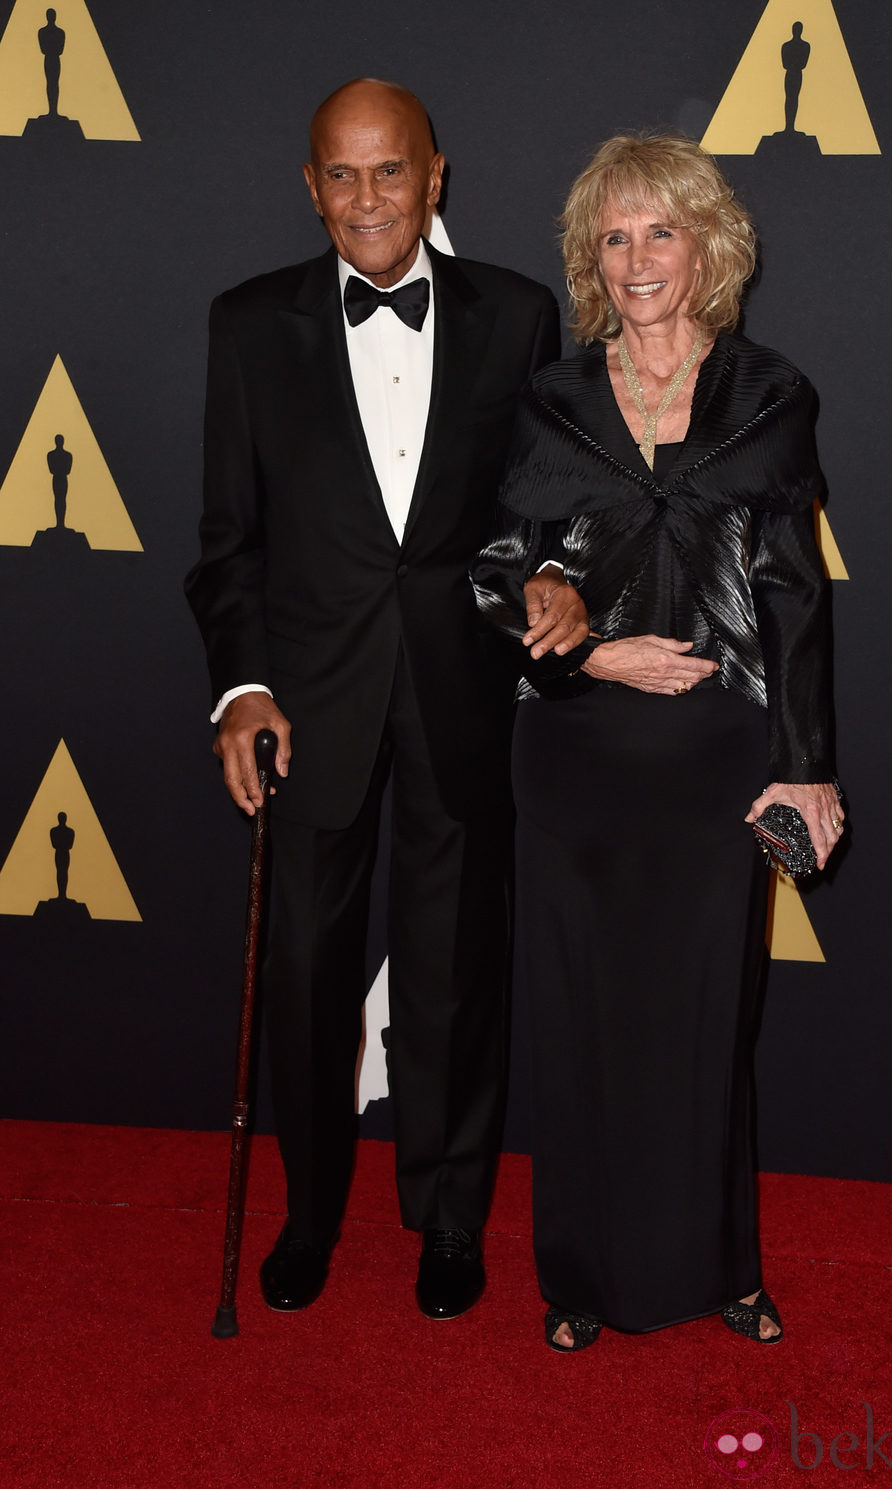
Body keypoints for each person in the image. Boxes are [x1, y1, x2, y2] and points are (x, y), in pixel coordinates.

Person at [185, 79, 582, 1322]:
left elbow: (542, 501)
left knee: (457, 965)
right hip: (308, 703)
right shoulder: (248, 325)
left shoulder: (519, 315)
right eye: (340, 175)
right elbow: (228, 542)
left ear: (435, 175)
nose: (367, 198)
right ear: (311, 187)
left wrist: (560, 571)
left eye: (390, 171)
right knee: (304, 972)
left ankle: (450, 1216)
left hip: (462, 689)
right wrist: (241, 687)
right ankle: (310, 1212)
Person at [472, 133, 844, 1351]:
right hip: (574, 759)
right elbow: (497, 571)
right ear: (591, 259)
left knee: (702, 1020)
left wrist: (805, 760)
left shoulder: (770, 396)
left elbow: (793, 594)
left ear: (706, 248)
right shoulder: (550, 400)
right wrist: (583, 644)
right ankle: (577, 1278)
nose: (635, 258)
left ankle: (721, 1269)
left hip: (714, 764)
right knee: (578, 1016)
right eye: (613, 237)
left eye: (659, 231)